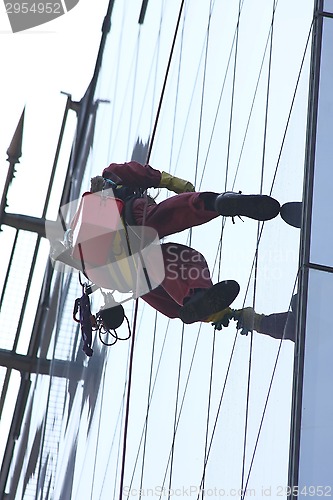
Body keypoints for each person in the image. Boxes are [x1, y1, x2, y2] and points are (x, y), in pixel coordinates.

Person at [84, 160, 281, 325]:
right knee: (177, 226)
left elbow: (163, 303)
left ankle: (196, 300)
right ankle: (216, 203)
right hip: (132, 220)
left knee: (156, 281)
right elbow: (142, 173)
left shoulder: (87, 232)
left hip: (115, 270)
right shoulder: (113, 179)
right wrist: (173, 183)